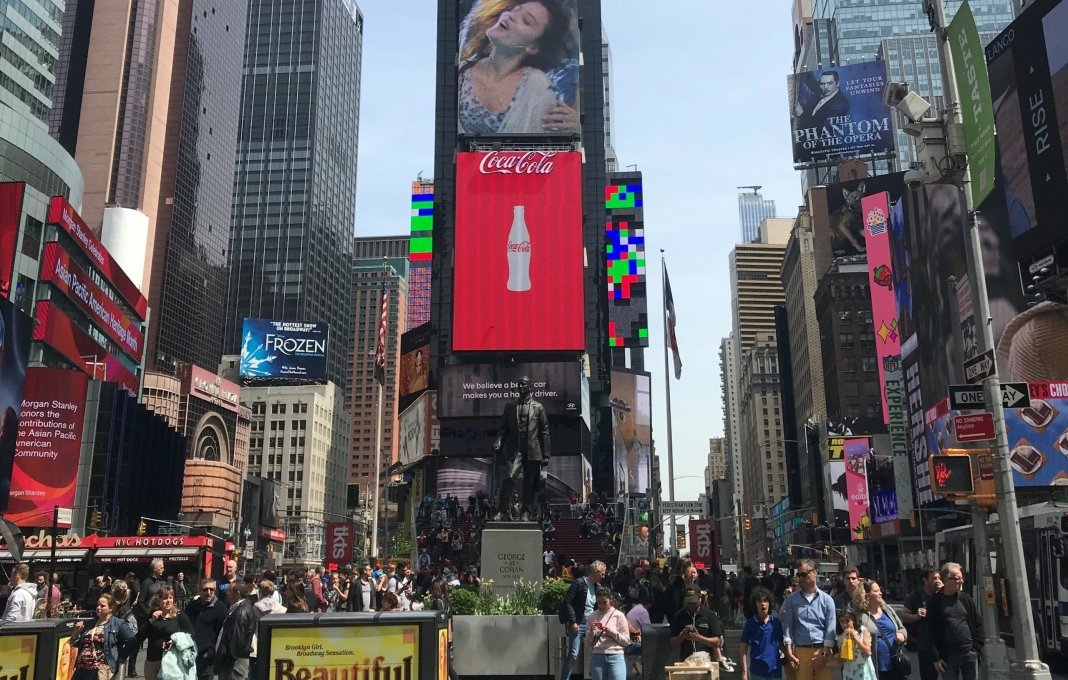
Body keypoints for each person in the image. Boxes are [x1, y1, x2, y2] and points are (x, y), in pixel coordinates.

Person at [457, 0, 578, 135]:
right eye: (515, 10)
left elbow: (549, 148)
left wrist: (576, 129)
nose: (510, 16)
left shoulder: (537, 87)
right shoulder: (461, 71)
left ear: (533, 47)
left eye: (526, 21)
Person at [922, 563, 983, 680]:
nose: (961, 581)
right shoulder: (935, 602)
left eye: (962, 578)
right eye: (957, 578)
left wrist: (976, 649)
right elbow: (930, 632)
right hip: (947, 657)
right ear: (946, 580)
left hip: (969, 654)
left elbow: (978, 624)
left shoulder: (966, 599)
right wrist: (936, 657)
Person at [779, 559, 836, 680]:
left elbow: (831, 628)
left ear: (814, 573)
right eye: (799, 575)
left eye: (804, 575)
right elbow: (788, 626)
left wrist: (824, 655)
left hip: (822, 650)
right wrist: (789, 652)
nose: (801, 578)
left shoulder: (827, 600)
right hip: (801, 651)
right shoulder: (792, 600)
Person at [71, 594, 138, 680]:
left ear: (111, 608)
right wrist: (76, 632)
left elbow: (132, 641)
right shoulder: (90, 623)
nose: (98, 607)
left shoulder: (118, 624)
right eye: (97, 605)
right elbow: (74, 643)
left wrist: (120, 658)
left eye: (102, 606)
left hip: (100, 670)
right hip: (82, 669)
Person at [558, 560, 606, 680]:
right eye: (602, 573)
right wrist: (573, 621)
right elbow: (567, 602)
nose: (603, 576)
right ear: (595, 572)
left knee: (598, 652)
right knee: (573, 654)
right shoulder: (579, 583)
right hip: (578, 624)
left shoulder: (598, 587)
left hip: (592, 624)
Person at [853, 580, 906, 679]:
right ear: (867, 595)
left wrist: (901, 634)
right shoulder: (859, 616)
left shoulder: (887, 609)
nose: (880, 593)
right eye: (876, 591)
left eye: (880, 590)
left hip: (895, 663)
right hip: (874, 666)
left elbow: (901, 628)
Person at [139, 586, 194, 680]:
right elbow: (140, 636)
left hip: (172, 661)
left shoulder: (179, 616)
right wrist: (151, 620)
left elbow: (190, 634)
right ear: (158, 601)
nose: (168, 601)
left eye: (170, 598)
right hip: (153, 661)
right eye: (165, 598)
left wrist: (175, 640)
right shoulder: (152, 615)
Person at [901, 568, 943, 680]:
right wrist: (916, 616)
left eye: (939, 578)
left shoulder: (944, 595)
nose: (937, 581)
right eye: (934, 578)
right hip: (925, 646)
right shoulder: (916, 596)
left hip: (944, 645)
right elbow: (904, 616)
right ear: (925, 580)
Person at [186, 579, 228, 680]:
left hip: (206, 655)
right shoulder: (192, 606)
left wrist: (211, 651)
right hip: (189, 652)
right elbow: (183, 624)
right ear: (199, 590)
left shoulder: (221, 608)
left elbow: (223, 633)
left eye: (211, 590)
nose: (208, 593)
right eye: (205, 590)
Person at [213, 582, 256, 680]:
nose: (227, 593)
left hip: (233, 664)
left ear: (237, 594)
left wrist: (227, 659)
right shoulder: (239, 608)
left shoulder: (241, 612)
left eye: (229, 591)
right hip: (233, 662)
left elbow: (236, 641)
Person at [586, 585, 629, 680]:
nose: (601, 606)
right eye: (599, 603)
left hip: (616, 655)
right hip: (597, 656)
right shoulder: (592, 616)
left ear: (610, 600)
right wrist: (591, 632)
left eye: (604, 602)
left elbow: (626, 641)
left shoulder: (619, 616)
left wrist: (611, 631)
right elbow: (588, 643)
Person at [670, 587, 724, 662]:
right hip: (686, 662)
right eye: (689, 603)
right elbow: (673, 643)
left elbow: (717, 642)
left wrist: (699, 638)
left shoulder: (709, 615)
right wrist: (682, 636)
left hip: (706, 661)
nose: (691, 605)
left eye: (694, 603)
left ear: (700, 599)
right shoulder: (679, 616)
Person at [740, 588, 783, 680]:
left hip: (774, 671)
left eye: (765, 601)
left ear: (769, 603)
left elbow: (782, 644)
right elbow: (743, 647)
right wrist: (745, 671)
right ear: (755, 604)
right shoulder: (750, 623)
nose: (762, 604)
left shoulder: (776, 623)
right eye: (759, 601)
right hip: (757, 671)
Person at [250, 580, 287, 679]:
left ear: (261, 591)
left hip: (258, 642)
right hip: (275, 642)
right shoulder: (280, 609)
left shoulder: (255, 607)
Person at [832, 610, 876, 680]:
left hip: (864, 673)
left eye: (847, 621)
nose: (844, 624)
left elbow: (867, 652)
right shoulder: (840, 637)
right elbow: (840, 662)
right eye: (841, 621)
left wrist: (855, 637)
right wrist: (824, 664)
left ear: (853, 620)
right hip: (849, 674)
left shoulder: (862, 631)